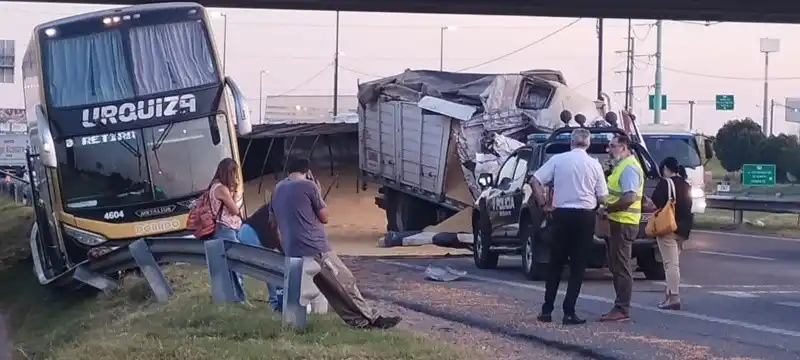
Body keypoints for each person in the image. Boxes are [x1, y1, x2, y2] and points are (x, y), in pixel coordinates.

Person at [270, 158, 401, 329]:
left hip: (292, 249)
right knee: (345, 282)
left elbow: (273, 221)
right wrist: (317, 190)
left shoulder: (277, 188)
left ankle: (359, 322)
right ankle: (373, 318)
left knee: (331, 290)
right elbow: (325, 217)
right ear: (307, 171)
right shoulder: (308, 186)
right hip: (315, 247)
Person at [531, 128, 608, 325]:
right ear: (588, 144)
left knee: (555, 263)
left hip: (561, 215)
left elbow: (535, 180)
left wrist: (543, 204)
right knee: (578, 265)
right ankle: (569, 311)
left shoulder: (558, 160)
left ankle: (546, 310)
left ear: (571, 142)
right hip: (585, 216)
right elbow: (602, 197)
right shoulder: (594, 165)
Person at [600, 134, 643, 322]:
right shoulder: (621, 167)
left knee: (622, 266)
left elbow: (630, 197)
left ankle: (622, 307)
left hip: (624, 222)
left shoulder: (629, 168)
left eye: (612, 146)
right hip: (618, 221)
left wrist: (608, 208)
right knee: (616, 265)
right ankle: (620, 306)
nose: (609, 150)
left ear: (624, 147)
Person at [650, 156, 693, 310]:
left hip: (668, 226)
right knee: (674, 262)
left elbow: (655, 202)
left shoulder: (664, 184)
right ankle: (669, 294)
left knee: (670, 264)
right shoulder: (686, 185)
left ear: (665, 168)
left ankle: (673, 296)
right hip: (683, 229)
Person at [207, 158, 246, 299]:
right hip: (226, 229)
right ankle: (238, 298)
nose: (235, 177)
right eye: (233, 173)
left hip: (222, 228)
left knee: (229, 266)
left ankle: (233, 297)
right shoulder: (222, 189)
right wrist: (235, 191)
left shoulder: (214, 186)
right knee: (236, 266)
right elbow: (235, 210)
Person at [237, 203, 285, 311]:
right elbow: (278, 234)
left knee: (272, 269)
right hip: (251, 234)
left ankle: (276, 302)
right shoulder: (280, 207)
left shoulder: (281, 204)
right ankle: (275, 303)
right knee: (270, 269)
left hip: (251, 233)